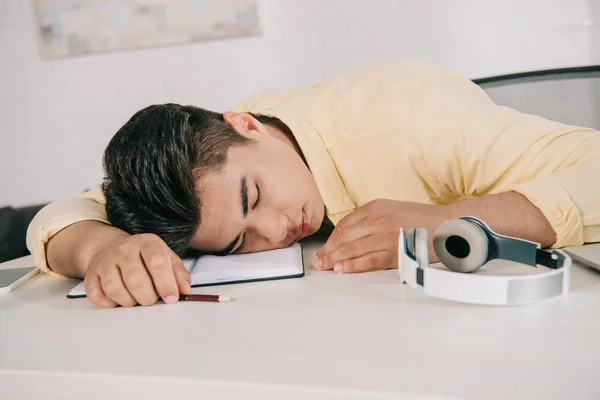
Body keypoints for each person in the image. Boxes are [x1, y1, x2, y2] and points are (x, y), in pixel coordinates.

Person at [26, 60, 600, 308]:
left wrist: (464, 219)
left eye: (252, 198)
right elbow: (69, 212)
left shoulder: (415, 120)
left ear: (244, 123)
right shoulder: (196, 174)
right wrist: (104, 248)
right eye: (238, 243)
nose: (276, 230)